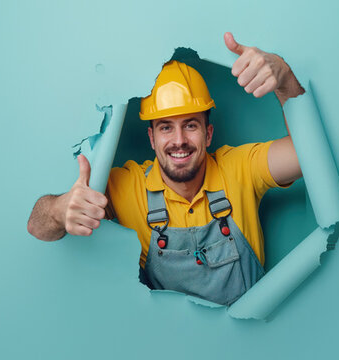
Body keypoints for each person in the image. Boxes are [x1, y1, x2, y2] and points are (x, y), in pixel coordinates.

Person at [26, 32, 305, 305]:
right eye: (166, 127)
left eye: (190, 125)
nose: (179, 140)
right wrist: (60, 209)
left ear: (208, 134)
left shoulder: (240, 168)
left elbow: (305, 152)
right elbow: (37, 227)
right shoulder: (127, 186)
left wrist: (284, 79)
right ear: (152, 138)